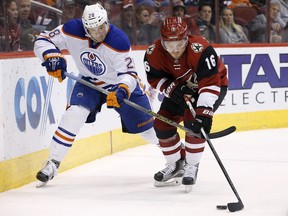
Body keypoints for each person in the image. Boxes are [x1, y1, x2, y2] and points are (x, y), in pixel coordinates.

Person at [33, 3, 158, 184]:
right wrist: (51, 55)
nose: (99, 32)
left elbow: (130, 75)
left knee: (149, 132)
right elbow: (43, 40)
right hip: (89, 81)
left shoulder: (118, 40)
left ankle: (178, 157)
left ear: (106, 22)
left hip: (119, 85)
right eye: (93, 29)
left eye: (101, 27)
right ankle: (53, 162)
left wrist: (122, 91)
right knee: (74, 113)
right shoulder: (71, 29)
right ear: (85, 28)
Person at [144, 17, 228, 187]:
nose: (174, 50)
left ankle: (192, 165)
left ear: (186, 38)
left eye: (179, 44)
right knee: (161, 125)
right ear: (162, 41)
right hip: (179, 90)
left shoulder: (202, 49)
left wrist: (204, 114)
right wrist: (172, 89)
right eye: (169, 45)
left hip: (210, 88)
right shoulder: (153, 53)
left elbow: (211, 84)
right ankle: (176, 164)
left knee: (194, 124)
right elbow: (154, 78)